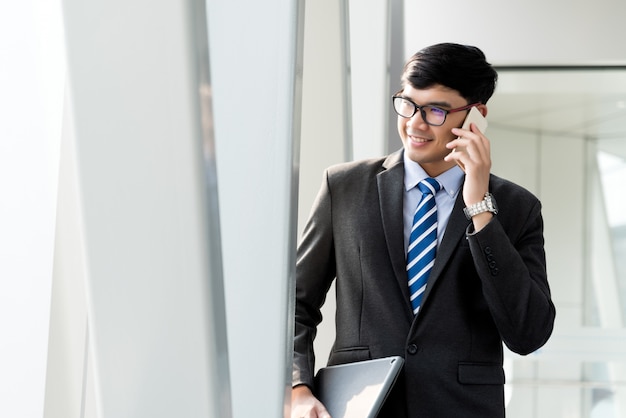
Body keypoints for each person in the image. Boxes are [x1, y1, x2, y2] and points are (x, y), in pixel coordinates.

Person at [291, 43, 556, 417]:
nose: (414, 123)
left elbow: (528, 333)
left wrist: (479, 206)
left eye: (435, 110)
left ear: (475, 117)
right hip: (360, 407)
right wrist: (298, 388)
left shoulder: (516, 208)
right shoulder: (345, 187)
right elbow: (296, 303)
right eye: (407, 103)